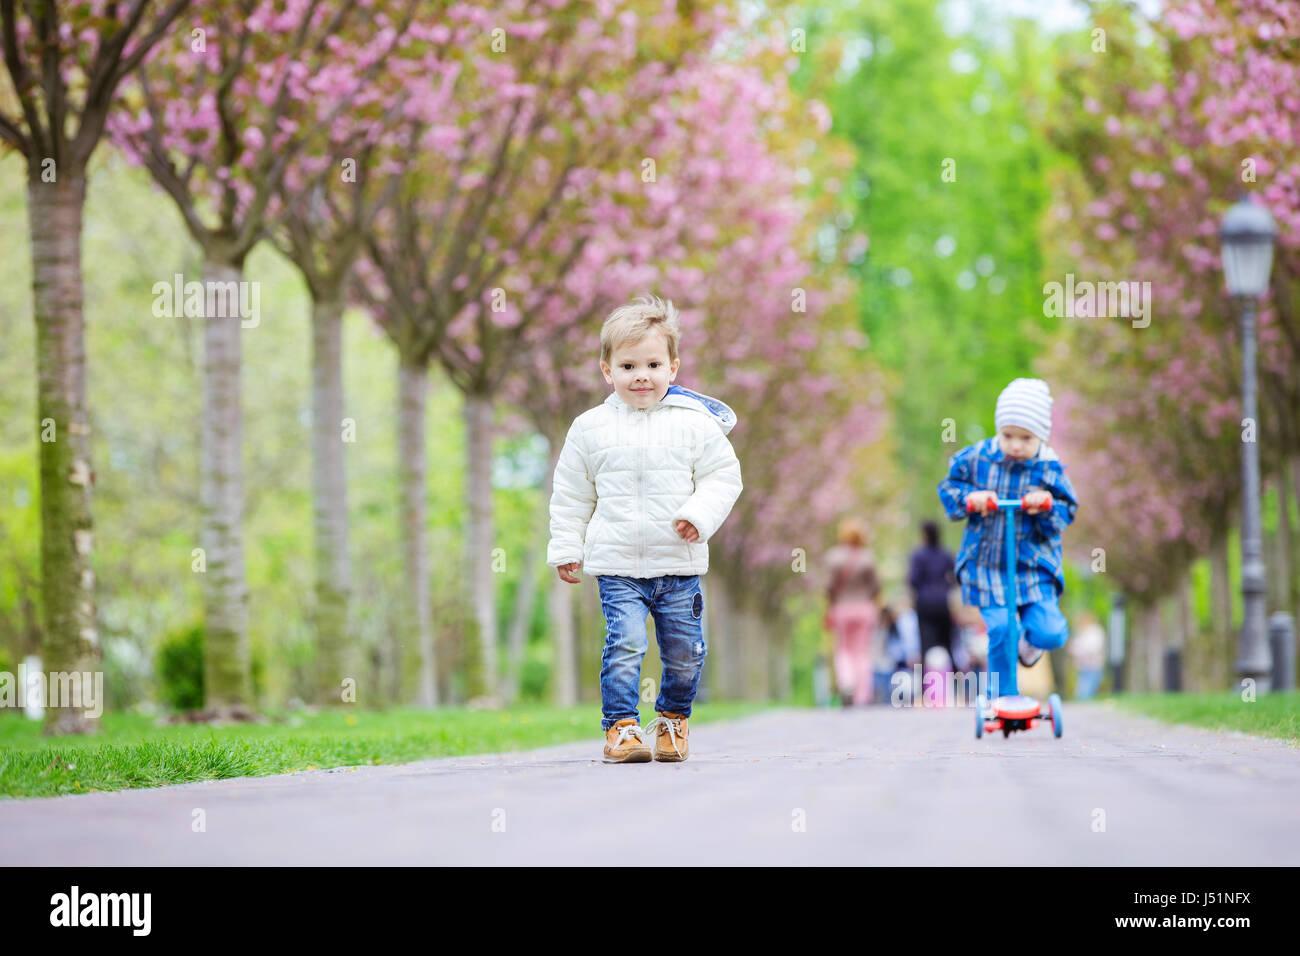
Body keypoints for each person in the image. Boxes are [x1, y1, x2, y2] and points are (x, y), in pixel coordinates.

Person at [546, 295, 743, 763]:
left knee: (686, 653)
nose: (641, 375)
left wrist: (698, 515)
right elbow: (573, 494)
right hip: (617, 565)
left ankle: (673, 721)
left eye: (653, 364)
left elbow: (724, 476)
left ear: (673, 368)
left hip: (678, 562)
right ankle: (621, 728)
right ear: (606, 370)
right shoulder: (589, 428)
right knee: (626, 645)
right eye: (628, 365)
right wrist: (566, 546)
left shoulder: (694, 425)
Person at [936, 377, 1079, 700]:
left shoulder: (1048, 467)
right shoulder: (976, 459)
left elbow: (1067, 510)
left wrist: (1045, 504)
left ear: (1040, 436)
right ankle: (1004, 697)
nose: (1015, 445)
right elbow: (948, 489)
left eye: (1025, 438)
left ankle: (1030, 646)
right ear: (998, 430)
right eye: (1008, 435)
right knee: (1001, 629)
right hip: (988, 565)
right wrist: (970, 499)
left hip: (1033, 567)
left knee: (1051, 632)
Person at [822, 519, 881, 707]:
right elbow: (876, 586)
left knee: (843, 650)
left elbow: (829, 587)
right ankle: (862, 696)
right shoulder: (868, 557)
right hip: (864, 609)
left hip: (842, 609)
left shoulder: (833, 557)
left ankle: (846, 685)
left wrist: (831, 604)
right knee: (862, 652)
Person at [908, 521, 958, 667]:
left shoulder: (918, 555)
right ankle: (953, 680)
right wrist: (945, 587)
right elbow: (955, 576)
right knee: (947, 642)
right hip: (942, 603)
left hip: (924, 604)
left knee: (926, 644)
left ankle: (927, 684)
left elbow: (913, 580)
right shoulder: (945, 553)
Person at [1070, 612, 1106, 700]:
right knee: (1084, 689)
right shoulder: (1082, 632)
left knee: (1087, 689)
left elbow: (1093, 647)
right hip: (1084, 665)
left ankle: (1085, 704)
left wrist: (1079, 650)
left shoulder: (1094, 631)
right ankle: (1084, 704)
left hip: (1093, 665)